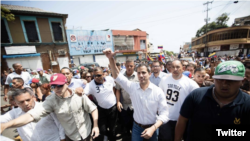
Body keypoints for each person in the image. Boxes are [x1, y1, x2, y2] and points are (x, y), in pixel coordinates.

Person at [0, 73, 99, 141]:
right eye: (53, 86)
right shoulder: (51, 101)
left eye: (59, 86)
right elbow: (31, 115)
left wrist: (95, 125)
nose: (56, 89)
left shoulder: (79, 95)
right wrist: (6, 125)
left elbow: (93, 108)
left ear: (67, 83)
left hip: (86, 132)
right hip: (70, 136)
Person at [103, 48, 169, 141]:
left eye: (144, 72)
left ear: (149, 74)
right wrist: (110, 58)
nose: (141, 75)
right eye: (139, 73)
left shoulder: (158, 91)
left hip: (153, 128)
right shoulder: (132, 87)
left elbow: (165, 114)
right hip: (137, 128)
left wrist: (153, 128)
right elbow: (116, 76)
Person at [175, 61, 250, 141]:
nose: (224, 84)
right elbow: (182, 120)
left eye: (230, 80)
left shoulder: (247, 103)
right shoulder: (196, 95)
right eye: (220, 79)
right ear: (214, 79)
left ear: (242, 81)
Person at [0, 88, 65, 141]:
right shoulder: (14, 113)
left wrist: (62, 138)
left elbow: (60, 124)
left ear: (33, 97)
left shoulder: (45, 106)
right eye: (21, 102)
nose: (26, 103)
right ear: (15, 103)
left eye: (28, 100)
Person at [158, 60, 199, 141]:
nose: (175, 69)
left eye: (177, 67)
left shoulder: (190, 83)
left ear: (183, 68)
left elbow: (197, 98)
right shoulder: (164, 80)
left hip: (181, 119)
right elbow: (159, 95)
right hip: (166, 118)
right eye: (173, 67)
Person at [84, 67, 117, 141]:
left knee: (113, 129)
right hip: (101, 109)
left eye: (98, 75)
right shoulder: (90, 85)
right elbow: (84, 94)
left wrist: (114, 100)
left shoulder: (109, 79)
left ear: (103, 74)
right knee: (102, 129)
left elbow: (114, 88)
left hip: (113, 108)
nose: (96, 78)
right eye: (94, 76)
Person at [116, 59, 138, 136]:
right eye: (127, 66)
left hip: (135, 105)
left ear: (134, 66)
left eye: (131, 66)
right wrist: (118, 101)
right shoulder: (121, 77)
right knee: (125, 123)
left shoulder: (138, 76)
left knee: (134, 123)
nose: (129, 67)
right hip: (124, 104)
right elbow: (118, 90)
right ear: (125, 66)